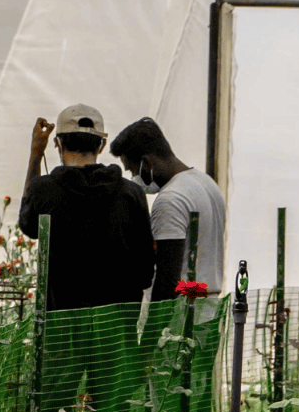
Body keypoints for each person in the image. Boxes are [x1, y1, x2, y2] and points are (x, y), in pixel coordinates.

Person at [17, 103, 155, 311]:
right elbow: (145, 271)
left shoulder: (43, 189)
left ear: (58, 144)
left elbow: (28, 226)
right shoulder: (131, 193)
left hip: (63, 324)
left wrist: (36, 154)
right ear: (101, 145)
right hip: (116, 327)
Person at [109, 117, 226, 301]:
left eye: (133, 170)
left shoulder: (171, 199)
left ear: (147, 162)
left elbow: (168, 280)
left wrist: (155, 325)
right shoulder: (207, 184)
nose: (134, 177)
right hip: (208, 303)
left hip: (183, 310)